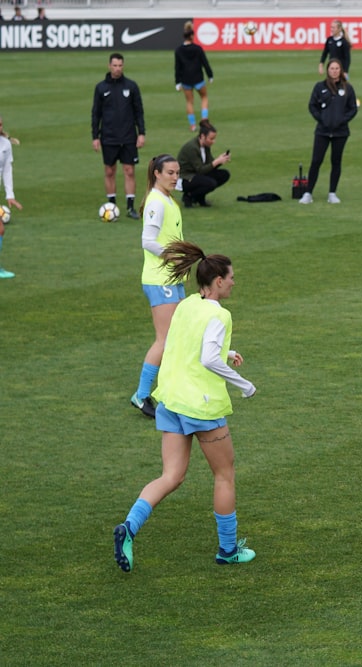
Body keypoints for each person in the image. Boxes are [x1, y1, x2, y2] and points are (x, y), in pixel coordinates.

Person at [113, 239, 257, 572]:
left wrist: (227, 353)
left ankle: (129, 528)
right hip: (201, 407)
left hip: (171, 401)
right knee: (224, 475)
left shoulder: (187, 305)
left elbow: (189, 344)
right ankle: (228, 550)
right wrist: (244, 384)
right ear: (218, 281)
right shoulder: (221, 314)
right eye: (231, 277)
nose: (234, 281)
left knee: (172, 475)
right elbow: (207, 357)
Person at [131, 155, 185, 418]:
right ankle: (141, 395)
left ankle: (167, 393)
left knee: (175, 338)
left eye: (177, 173)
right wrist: (174, 256)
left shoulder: (166, 197)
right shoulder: (156, 202)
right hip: (159, 278)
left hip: (171, 278)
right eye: (171, 173)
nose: (175, 177)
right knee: (165, 340)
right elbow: (147, 240)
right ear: (157, 174)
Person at [92, 52, 146, 220]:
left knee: (129, 171)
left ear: (123, 66)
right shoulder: (101, 88)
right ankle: (112, 204)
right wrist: (95, 136)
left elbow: (139, 111)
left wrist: (141, 133)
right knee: (109, 171)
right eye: (114, 65)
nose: (117, 69)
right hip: (108, 137)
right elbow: (96, 114)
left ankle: (130, 207)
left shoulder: (131, 86)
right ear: (109, 66)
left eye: (120, 65)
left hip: (128, 136)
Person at [299, 59, 357, 205]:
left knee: (336, 162)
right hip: (322, 131)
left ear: (341, 70)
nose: (334, 71)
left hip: (341, 132)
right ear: (327, 70)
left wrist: (342, 120)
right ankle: (308, 193)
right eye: (332, 68)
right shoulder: (320, 87)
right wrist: (321, 119)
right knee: (316, 161)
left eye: (337, 68)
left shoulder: (347, 88)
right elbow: (312, 105)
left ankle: (332, 193)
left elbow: (353, 108)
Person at [178, 120, 231, 208]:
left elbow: (209, 165)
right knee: (211, 183)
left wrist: (220, 160)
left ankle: (199, 197)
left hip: (195, 175)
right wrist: (216, 162)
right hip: (185, 178)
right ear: (202, 136)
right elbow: (200, 170)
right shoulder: (192, 148)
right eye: (211, 139)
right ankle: (189, 196)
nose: (213, 141)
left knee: (224, 174)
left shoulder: (205, 146)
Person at [175, 21, 215, 131]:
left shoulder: (178, 50)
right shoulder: (198, 48)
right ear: (192, 35)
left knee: (189, 102)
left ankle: (192, 125)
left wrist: (177, 82)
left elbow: (177, 67)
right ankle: (204, 119)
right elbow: (205, 62)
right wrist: (210, 75)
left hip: (186, 80)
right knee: (204, 98)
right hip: (198, 78)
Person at [0, 115, 23, 279]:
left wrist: (10, 195)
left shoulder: (5, 144)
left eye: (0, 123)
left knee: (0, 230)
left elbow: (7, 170)